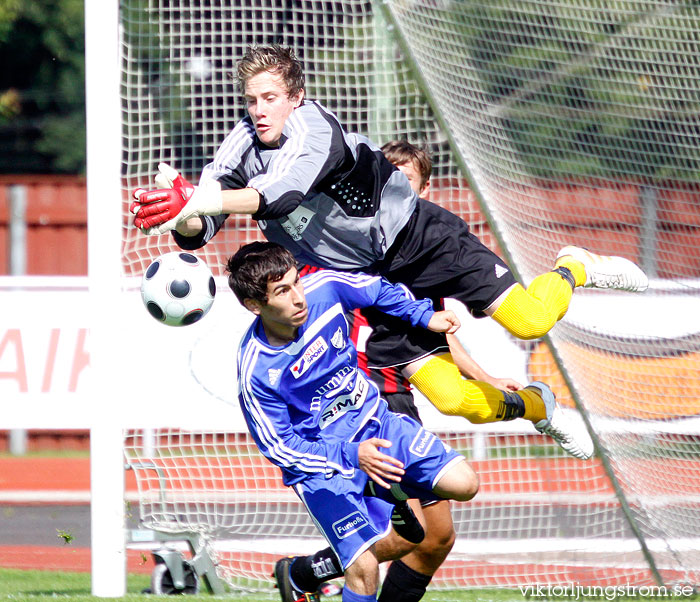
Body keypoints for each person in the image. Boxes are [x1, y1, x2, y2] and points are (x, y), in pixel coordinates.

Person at [131, 44, 649, 460]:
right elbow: (201, 230)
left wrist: (200, 198)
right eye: (251, 100)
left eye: (270, 97)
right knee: (453, 399)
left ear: (296, 97)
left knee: (530, 320)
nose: (259, 110)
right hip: (375, 279)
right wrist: (184, 214)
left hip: (420, 239)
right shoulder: (240, 145)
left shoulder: (316, 130)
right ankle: (537, 404)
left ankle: (574, 266)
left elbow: (283, 194)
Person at [272, 141, 522, 602]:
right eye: (388, 181)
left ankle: (307, 573)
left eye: (408, 183)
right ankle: (314, 573)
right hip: (364, 404)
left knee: (437, 539)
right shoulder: (340, 248)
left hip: (399, 400)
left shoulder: (421, 259)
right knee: (407, 533)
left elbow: (437, 331)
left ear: (422, 191)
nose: (395, 192)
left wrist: (482, 376)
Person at [227, 240, 481, 602]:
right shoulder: (257, 372)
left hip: (376, 423)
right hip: (323, 466)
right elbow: (280, 448)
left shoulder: (324, 289)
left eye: (296, 282)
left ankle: (305, 572)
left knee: (464, 484)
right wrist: (351, 455)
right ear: (255, 305)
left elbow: (376, 289)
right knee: (364, 569)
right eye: (282, 292)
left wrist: (424, 316)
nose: (298, 297)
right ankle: (353, 547)